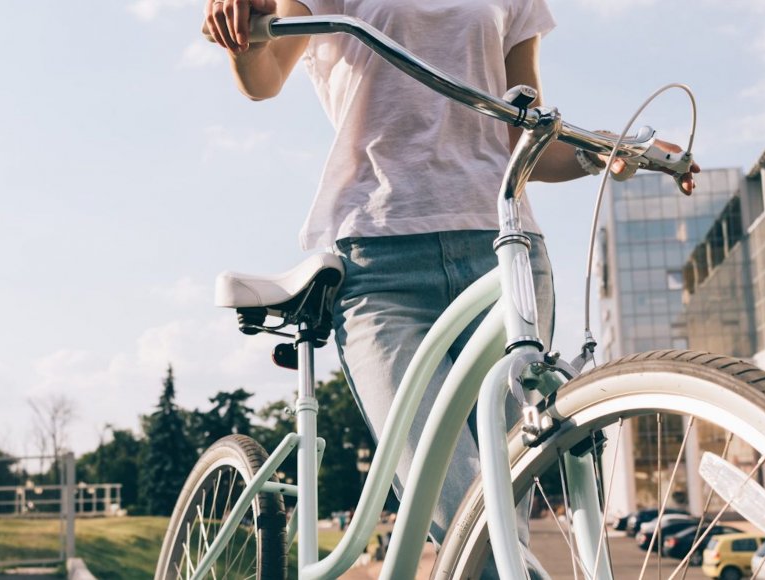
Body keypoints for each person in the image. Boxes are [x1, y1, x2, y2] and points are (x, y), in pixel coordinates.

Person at [204, 0, 698, 551]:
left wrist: (599, 153)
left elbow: (522, 134)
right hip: (380, 263)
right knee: (462, 504)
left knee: (507, 497)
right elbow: (264, 79)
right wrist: (241, 34)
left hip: (504, 253)